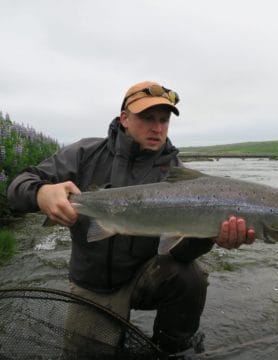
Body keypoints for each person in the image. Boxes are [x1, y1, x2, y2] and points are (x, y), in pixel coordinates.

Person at [7, 81, 256, 355]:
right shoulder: (83, 154)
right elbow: (18, 185)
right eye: (147, 118)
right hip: (93, 284)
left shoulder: (177, 175)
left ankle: (173, 349)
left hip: (145, 278)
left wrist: (210, 235)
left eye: (164, 120)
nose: (157, 128)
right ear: (124, 118)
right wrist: (41, 193)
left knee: (190, 276)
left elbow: (180, 254)